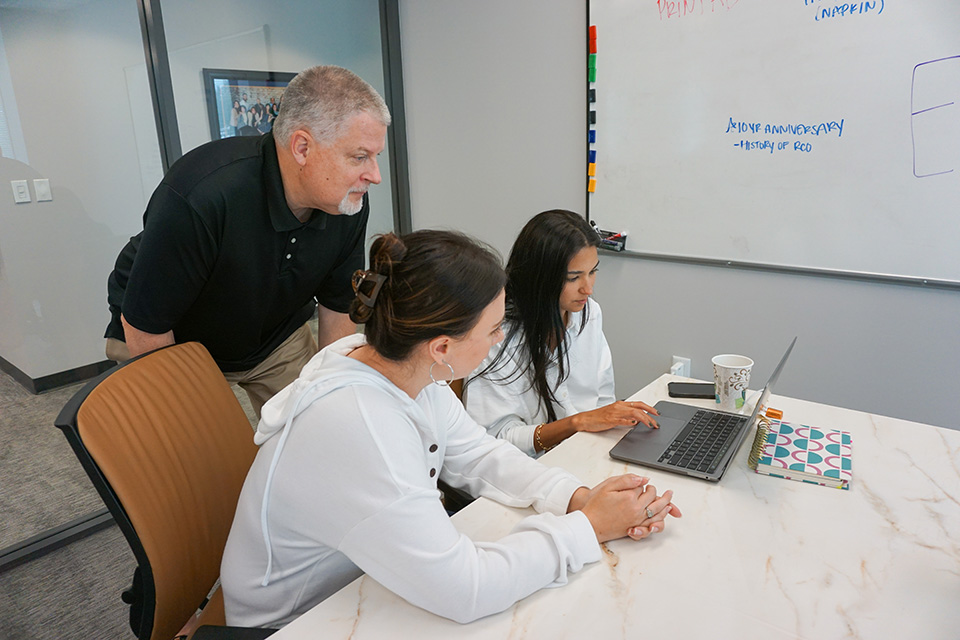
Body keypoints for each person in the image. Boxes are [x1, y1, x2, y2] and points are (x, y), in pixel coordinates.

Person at [220, 230, 682, 628]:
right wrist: (588, 527)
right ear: (441, 346)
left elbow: (480, 454)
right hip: (296, 623)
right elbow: (467, 589)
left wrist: (577, 498)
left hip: (362, 582)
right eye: (495, 328)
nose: (501, 339)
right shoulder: (361, 425)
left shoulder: (403, 367)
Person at [104, 65, 390, 416]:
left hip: (274, 334)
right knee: (197, 453)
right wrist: (182, 416)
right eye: (360, 157)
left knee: (321, 419)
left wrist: (329, 390)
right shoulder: (203, 194)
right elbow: (145, 323)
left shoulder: (346, 201)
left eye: (376, 157)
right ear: (302, 147)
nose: (374, 176)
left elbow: (337, 303)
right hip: (174, 338)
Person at [463, 210, 659, 456]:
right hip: (526, 469)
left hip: (584, 453)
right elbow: (497, 438)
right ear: (540, 278)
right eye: (574, 277)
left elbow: (603, 400)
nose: (588, 288)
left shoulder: (590, 314)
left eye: (593, 271)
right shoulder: (497, 334)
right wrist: (576, 424)